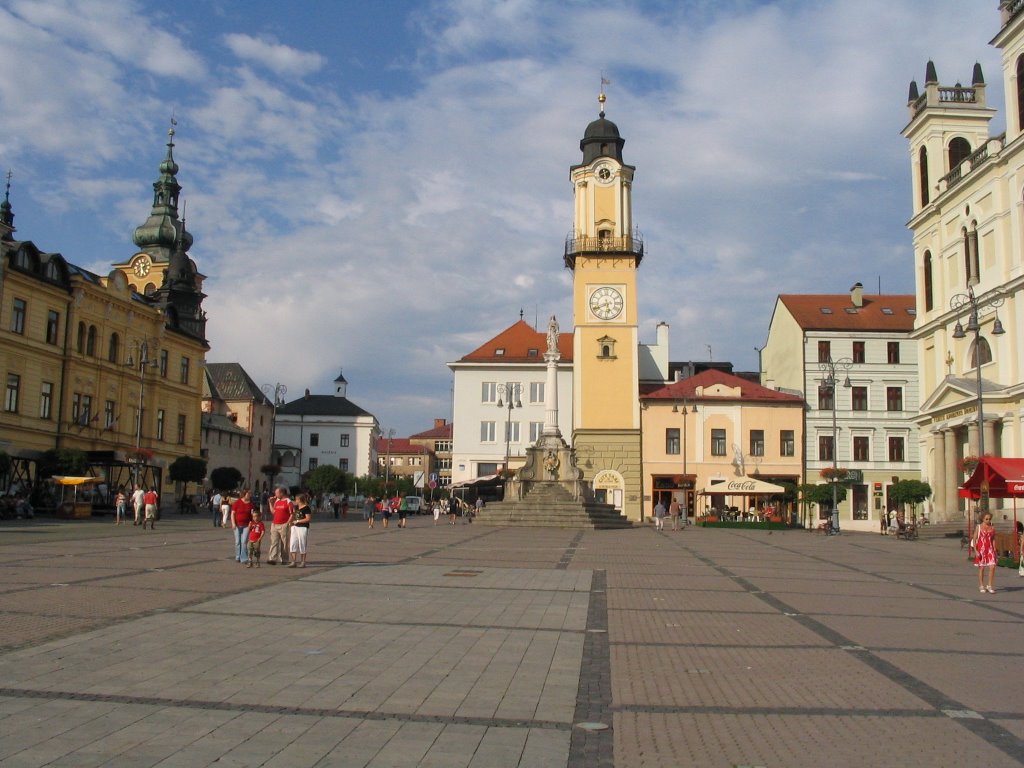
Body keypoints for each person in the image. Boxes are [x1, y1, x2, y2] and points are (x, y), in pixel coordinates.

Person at [972, 511, 997, 593]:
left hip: (990, 549)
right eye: (986, 519)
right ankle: (981, 585)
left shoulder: (992, 527)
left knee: (992, 567)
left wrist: (994, 549)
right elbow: (974, 539)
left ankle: (989, 585)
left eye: (989, 519)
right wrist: (976, 551)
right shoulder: (978, 527)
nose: (988, 520)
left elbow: (993, 539)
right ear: (982, 519)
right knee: (982, 568)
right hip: (981, 549)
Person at [267, 486, 293, 565]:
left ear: (282, 493)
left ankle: (284, 559)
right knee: (274, 542)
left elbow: (292, 513)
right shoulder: (277, 501)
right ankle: (272, 558)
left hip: (284, 524)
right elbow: (273, 512)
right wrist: (270, 503)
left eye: (277, 493)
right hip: (275, 524)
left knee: (284, 543)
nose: (275, 495)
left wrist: (288, 523)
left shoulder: (288, 501)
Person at [288, 492, 313, 568]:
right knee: (293, 543)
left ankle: (303, 562)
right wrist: (290, 522)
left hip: (303, 527)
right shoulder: (296, 507)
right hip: (294, 527)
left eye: (296, 499)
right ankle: (293, 561)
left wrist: (298, 521)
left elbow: (308, 519)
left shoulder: (306, 508)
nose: (295, 500)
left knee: (302, 543)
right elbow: (293, 515)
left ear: (299, 499)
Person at [231, 490, 255, 564]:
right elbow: (233, 513)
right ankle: (238, 556)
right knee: (238, 542)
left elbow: (252, 515)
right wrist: (233, 523)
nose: (250, 495)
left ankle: (244, 558)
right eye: (249, 493)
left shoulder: (251, 504)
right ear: (244, 494)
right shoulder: (237, 503)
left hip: (246, 525)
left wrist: (251, 522)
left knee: (244, 541)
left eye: (250, 493)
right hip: (237, 525)